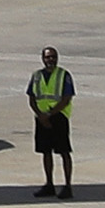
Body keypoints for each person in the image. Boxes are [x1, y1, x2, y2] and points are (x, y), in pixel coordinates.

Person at [29, 47, 76, 197]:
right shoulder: (36, 76)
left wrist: (49, 114)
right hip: (41, 118)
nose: (51, 60)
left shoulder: (64, 75)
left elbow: (66, 98)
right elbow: (31, 98)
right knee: (45, 152)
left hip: (58, 117)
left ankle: (68, 186)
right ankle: (49, 184)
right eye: (48, 57)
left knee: (64, 152)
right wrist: (40, 115)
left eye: (53, 57)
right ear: (43, 59)